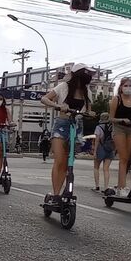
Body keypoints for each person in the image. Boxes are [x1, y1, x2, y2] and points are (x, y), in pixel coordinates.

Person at [40, 63, 95, 199]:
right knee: (59, 160)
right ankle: (55, 193)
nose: (88, 77)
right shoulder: (63, 86)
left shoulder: (87, 91)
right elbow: (44, 98)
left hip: (77, 126)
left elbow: (89, 110)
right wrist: (58, 105)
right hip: (62, 125)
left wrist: (90, 113)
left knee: (67, 163)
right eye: (85, 74)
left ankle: (61, 191)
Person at [93, 112, 115, 193]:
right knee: (106, 169)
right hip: (110, 149)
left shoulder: (98, 127)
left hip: (100, 149)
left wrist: (95, 151)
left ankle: (97, 186)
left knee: (96, 167)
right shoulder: (112, 127)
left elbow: (97, 140)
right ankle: (106, 187)